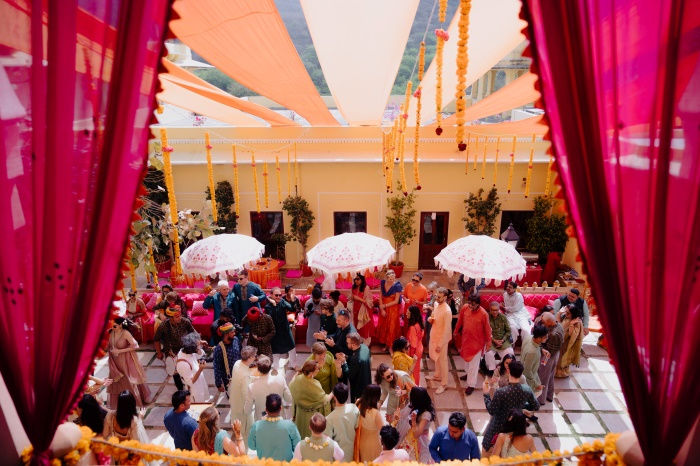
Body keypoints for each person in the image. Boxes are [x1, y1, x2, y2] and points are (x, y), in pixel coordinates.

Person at [481, 361, 539, 453]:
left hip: (499, 426)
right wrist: (522, 408)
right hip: (516, 426)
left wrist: (486, 395)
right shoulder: (527, 389)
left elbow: (491, 410)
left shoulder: (501, 392)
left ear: (509, 372)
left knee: (489, 449)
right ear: (521, 374)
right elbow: (536, 406)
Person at [106, 317, 151, 408]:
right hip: (115, 362)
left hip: (125, 361)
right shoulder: (111, 333)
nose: (112, 327)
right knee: (117, 381)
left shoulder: (125, 333)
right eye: (111, 326)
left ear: (120, 325)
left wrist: (119, 351)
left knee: (128, 380)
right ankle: (120, 404)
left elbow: (135, 346)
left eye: (114, 326)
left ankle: (134, 402)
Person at [454, 293, 492, 395]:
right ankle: (468, 374)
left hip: (477, 344)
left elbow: (488, 330)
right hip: (466, 340)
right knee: (466, 361)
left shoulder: (484, 314)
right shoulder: (465, 308)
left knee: (473, 366)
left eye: (473, 305)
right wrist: (455, 331)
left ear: (478, 304)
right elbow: (460, 321)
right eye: (469, 303)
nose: (470, 306)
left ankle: (471, 385)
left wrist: (488, 343)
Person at [154, 304, 196, 390]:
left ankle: (189, 387)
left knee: (186, 370)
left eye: (180, 315)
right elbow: (156, 339)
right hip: (171, 352)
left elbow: (193, 333)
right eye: (177, 317)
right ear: (171, 318)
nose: (179, 318)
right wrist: (159, 353)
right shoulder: (163, 326)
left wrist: (198, 342)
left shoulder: (185, 321)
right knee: (175, 373)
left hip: (184, 351)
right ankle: (180, 390)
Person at [248, 394, 301, 461]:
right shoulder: (290, 426)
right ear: (280, 408)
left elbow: (251, 446)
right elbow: (297, 446)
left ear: (266, 409)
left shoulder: (257, 426)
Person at [289, 360, 333, 438]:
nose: (319, 370)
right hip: (310, 415)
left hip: (299, 413)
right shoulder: (314, 384)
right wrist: (333, 393)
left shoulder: (297, 379)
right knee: (310, 436)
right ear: (312, 372)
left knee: (300, 434)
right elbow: (324, 399)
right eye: (317, 369)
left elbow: (291, 385)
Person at [395, 387, 436, 463]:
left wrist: (413, 421)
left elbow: (417, 435)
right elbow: (403, 414)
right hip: (409, 434)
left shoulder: (426, 415)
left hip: (419, 440)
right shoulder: (417, 405)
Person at [246, 355, 292, 420]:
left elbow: (247, 410)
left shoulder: (252, 387)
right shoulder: (280, 379)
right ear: (270, 367)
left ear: (258, 369)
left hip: (261, 420)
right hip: (279, 418)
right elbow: (289, 399)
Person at [229, 345, 257, 448]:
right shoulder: (245, 376)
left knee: (237, 431)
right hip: (242, 409)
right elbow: (247, 396)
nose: (255, 357)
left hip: (234, 404)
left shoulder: (237, 363)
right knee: (244, 435)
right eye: (254, 356)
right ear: (250, 358)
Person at [555, 291, 588, 377]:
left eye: (568, 313)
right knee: (558, 358)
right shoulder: (565, 316)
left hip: (567, 344)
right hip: (561, 342)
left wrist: (571, 325)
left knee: (563, 358)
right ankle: (556, 371)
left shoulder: (577, 322)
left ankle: (562, 373)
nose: (566, 314)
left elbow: (572, 335)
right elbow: (558, 325)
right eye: (565, 312)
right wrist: (559, 314)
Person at [324, 383, 360, 462]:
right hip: (352, 454)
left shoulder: (329, 419)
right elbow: (357, 427)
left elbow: (327, 442)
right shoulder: (354, 409)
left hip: (337, 458)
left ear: (334, 397)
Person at [427, 287, 452, 394]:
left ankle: (444, 384)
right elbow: (434, 315)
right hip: (434, 335)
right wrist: (430, 319)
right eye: (437, 296)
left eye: (439, 297)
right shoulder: (436, 304)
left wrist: (440, 344)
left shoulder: (447, 311)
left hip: (442, 339)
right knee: (436, 358)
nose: (437, 298)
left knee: (443, 361)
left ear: (445, 297)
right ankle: (437, 376)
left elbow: (447, 330)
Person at [265, 287, 296, 372]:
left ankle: (293, 365)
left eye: (280, 295)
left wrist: (292, 300)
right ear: (271, 295)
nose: (278, 297)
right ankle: (276, 368)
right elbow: (271, 317)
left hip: (285, 329)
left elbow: (292, 308)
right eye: (276, 295)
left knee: (292, 347)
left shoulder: (282, 301)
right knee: (275, 350)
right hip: (275, 331)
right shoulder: (268, 306)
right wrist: (274, 305)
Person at [536, 311, 564, 404]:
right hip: (554, 353)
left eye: (543, 322)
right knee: (550, 376)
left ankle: (540, 400)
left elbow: (549, 350)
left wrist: (540, 347)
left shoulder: (554, 334)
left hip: (549, 356)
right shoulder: (557, 324)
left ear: (550, 323)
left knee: (542, 378)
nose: (542, 323)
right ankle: (549, 395)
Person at [175, 332, 210, 403]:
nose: (199, 346)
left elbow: (200, 355)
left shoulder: (187, 351)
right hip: (195, 390)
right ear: (192, 349)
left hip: (200, 382)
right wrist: (200, 369)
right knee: (199, 404)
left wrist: (199, 343)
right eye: (197, 346)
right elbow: (191, 382)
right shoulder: (183, 364)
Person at [339, 332, 372, 402]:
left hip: (358, 388)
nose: (346, 344)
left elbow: (350, 375)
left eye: (347, 343)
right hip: (367, 382)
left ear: (353, 344)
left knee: (357, 405)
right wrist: (347, 357)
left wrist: (344, 362)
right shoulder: (365, 347)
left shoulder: (355, 359)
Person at [355, 384, 385, 462]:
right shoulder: (375, 413)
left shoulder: (358, 402)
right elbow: (384, 431)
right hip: (374, 444)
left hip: (361, 442)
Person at [376, 269, 403, 352]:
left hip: (393, 309)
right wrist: (382, 309)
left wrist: (384, 306)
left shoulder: (397, 286)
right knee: (385, 326)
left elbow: (396, 301)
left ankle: (391, 346)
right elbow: (380, 297)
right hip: (384, 308)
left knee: (392, 327)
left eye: (393, 278)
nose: (392, 280)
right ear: (386, 278)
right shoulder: (383, 283)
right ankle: (386, 344)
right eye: (390, 279)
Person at [485, 301, 514, 375]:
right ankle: (492, 371)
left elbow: (508, 331)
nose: (495, 312)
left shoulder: (503, 317)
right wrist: (494, 341)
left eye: (496, 310)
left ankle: (503, 369)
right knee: (488, 354)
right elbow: (485, 332)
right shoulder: (486, 317)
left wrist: (503, 340)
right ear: (490, 310)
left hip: (503, 341)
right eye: (493, 310)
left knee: (510, 353)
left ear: (499, 310)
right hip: (491, 341)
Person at [213, 322, 241, 395]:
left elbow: (240, 354)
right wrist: (218, 384)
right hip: (229, 381)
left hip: (240, 376)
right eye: (232, 332)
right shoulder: (219, 349)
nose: (234, 334)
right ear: (226, 334)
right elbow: (217, 368)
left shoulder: (236, 340)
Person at [522, 324, 548, 394]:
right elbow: (527, 370)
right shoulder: (532, 352)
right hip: (529, 379)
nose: (547, 338)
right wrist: (536, 385)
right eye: (545, 337)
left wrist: (541, 349)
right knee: (535, 394)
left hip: (529, 373)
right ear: (539, 338)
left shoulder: (529, 337)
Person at [349, 273, 374, 344]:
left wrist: (358, 299)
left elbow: (370, 303)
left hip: (364, 311)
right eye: (355, 279)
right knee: (356, 325)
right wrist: (352, 297)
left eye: (358, 279)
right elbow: (351, 298)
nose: (356, 281)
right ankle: (358, 341)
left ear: (362, 279)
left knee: (365, 327)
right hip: (355, 310)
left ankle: (366, 344)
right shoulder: (353, 287)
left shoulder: (366, 288)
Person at [405, 305, 424, 384]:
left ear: (412, 315)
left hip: (414, 351)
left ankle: (414, 387)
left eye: (408, 313)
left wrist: (411, 356)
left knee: (412, 371)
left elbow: (413, 344)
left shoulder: (412, 327)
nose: (406, 314)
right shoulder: (419, 324)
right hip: (420, 348)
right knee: (416, 370)